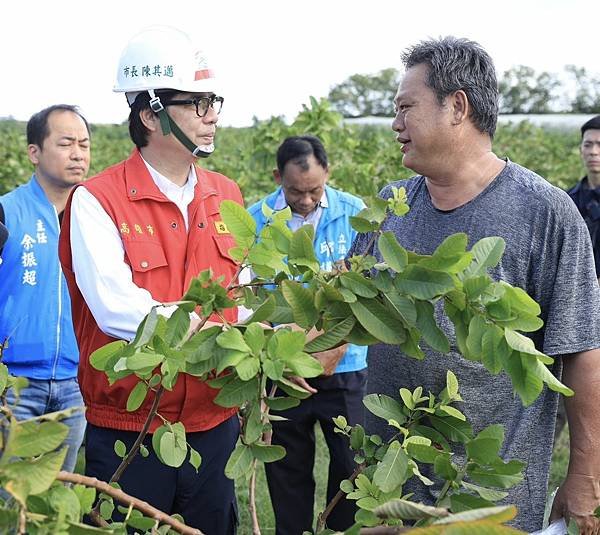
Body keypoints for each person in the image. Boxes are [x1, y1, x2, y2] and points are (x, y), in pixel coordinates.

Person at [348, 37, 600, 533]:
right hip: (390, 478)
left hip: (488, 490)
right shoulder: (390, 204)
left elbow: (582, 351)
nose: (396, 125)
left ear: (457, 106)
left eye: (405, 108)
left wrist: (585, 475)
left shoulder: (544, 212)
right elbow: (348, 313)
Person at [58, 26, 241, 534]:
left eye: (214, 102)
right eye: (197, 104)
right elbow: (117, 308)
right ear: (151, 114)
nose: (212, 117)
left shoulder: (226, 193)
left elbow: (242, 295)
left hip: (214, 422)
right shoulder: (97, 200)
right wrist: (227, 338)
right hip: (130, 426)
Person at [247, 135, 368, 533]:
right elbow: (248, 303)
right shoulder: (256, 221)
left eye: (314, 190)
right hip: (284, 373)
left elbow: (365, 295)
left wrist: (332, 345)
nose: (305, 200)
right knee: (287, 473)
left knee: (352, 469)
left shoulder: (357, 215)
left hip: (345, 368)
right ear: (277, 176)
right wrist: (281, 353)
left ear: (328, 173)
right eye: (295, 191)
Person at [0, 104, 90, 472]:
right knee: (12, 496)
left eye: (84, 144)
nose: (78, 154)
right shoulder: (6, 212)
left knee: (63, 493)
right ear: (34, 152)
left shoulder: (96, 218)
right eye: (66, 143)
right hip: (15, 384)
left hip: (76, 383)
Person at [568, 115, 600, 279]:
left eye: (599, 145)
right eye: (588, 145)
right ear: (581, 150)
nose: (594, 152)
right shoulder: (568, 200)